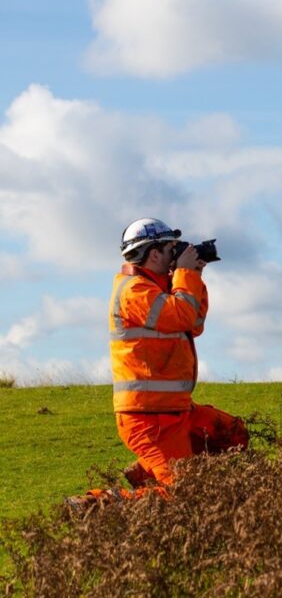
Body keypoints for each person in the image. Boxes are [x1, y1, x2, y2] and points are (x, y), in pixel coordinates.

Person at [66, 218, 248, 512]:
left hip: (175, 409)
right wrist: (186, 274)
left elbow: (195, 323)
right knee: (184, 496)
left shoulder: (160, 289)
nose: (176, 254)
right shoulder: (133, 291)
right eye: (171, 248)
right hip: (150, 418)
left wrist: (193, 275)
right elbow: (182, 317)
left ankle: (146, 471)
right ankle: (95, 503)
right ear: (153, 254)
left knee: (233, 435)